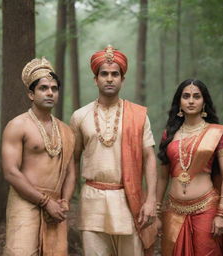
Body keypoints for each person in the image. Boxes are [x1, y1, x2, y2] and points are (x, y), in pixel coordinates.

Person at [70, 45, 157, 256]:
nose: (109, 79)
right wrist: (66, 196)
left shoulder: (138, 115)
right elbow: (73, 160)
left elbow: (149, 158)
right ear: (95, 79)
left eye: (115, 74)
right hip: (92, 201)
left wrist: (151, 200)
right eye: (104, 74)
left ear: (122, 79)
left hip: (129, 199)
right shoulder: (79, 116)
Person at [2, 57, 76, 256]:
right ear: (31, 94)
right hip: (24, 202)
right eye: (43, 88)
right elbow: (10, 172)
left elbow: (70, 173)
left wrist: (65, 201)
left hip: (56, 206)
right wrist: (44, 202)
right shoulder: (17, 125)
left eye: (54, 88)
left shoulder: (66, 131)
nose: (50, 92)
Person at [157, 79, 223, 256]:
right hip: (173, 210)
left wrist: (221, 213)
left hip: (207, 208)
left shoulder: (216, 134)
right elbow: (162, 177)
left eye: (196, 96)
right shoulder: (168, 135)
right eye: (186, 96)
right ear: (179, 102)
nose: (191, 101)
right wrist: (156, 212)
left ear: (204, 102)